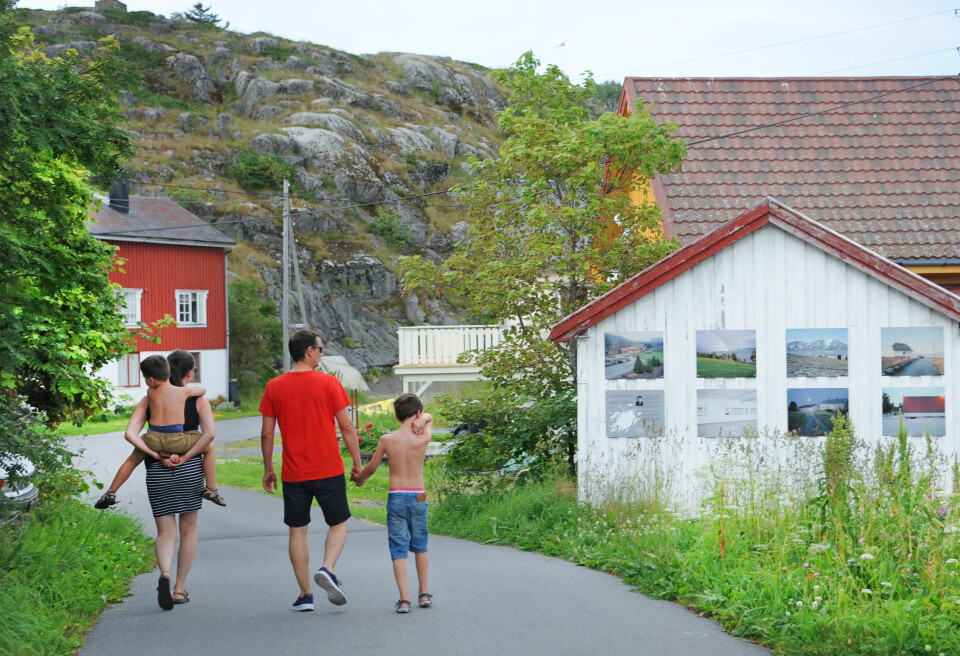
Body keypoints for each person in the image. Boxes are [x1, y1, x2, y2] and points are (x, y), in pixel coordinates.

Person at [259, 329, 362, 612]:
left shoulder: (274, 386)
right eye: (320, 349)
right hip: (328, 468)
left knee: (297, 531)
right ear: (308, 351)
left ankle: (305, 595)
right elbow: (347, 426)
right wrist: (357, 463)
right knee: (338, 523)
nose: (322, 353)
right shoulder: (328, 382)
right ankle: (327, 569)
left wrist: (268, 468)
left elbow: (267, 433)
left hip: (294, 473)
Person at [123, 350, 215, 609]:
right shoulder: (197, 399)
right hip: (189, 469)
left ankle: (165, 572)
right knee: (189, 529)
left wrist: (154, 453)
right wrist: (185, 458)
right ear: (189, 373)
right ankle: (179, 589)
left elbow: (133, 433)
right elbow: (209, 435)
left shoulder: (150, 397)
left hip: (157, 469)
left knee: (165, 531)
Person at [94, 355, 226, 509]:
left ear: (150, 380)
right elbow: (202, 391)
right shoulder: (183, 392)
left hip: (153, 440)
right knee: (208, 447)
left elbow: (129, 434)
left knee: (132, 459)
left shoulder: (150, 393)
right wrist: (184, 457)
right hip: (178, 440)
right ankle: (211, 488)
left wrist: (154, 454)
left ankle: (111, 492)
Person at [352, 393, 433, 614]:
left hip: (396, 496)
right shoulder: (423, 438)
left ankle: (404, 599)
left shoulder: (387, 440)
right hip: (419, 495)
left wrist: (359, 478)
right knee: (421, 544)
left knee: (398, 547)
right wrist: (424, 418)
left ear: (396, 417)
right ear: (417, 414)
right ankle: (424, 593)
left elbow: (371, 467)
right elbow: (429, 418)